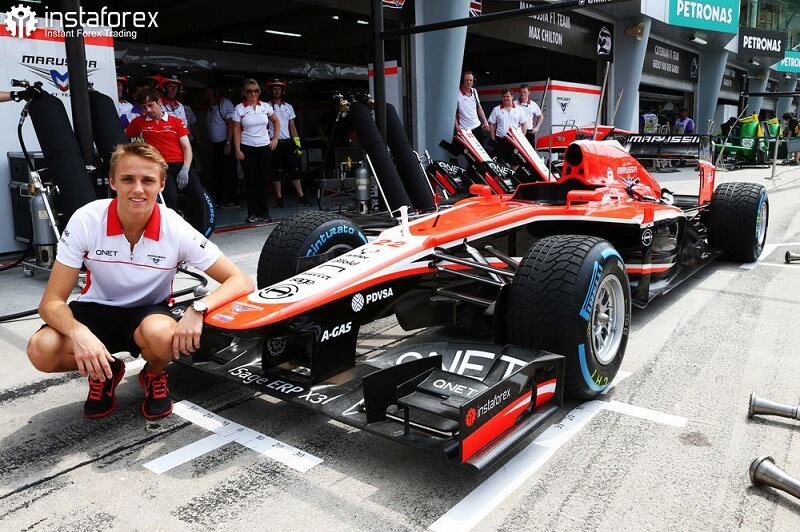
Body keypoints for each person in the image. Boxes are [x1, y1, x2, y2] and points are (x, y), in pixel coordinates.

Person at [26, 142, 254, 419]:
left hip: (148, 313)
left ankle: (153, 374)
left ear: (161, 184)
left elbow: (240, 280)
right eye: (127, 179)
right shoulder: (86, 220)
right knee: (41, 350)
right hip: (95, 309)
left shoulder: (175, 227)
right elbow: (51, 302)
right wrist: (79, 334)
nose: (137, 189)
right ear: (112, 182)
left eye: (147, 180)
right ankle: (106, 371)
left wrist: (198, 309)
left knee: (166, 337)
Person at [124, 87, 207, 233]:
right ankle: (171, 235)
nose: (148, 110)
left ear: (159, 102)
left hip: (182, 165)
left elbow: (187, 147)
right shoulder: (139, 122)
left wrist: (185, 169)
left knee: (199, 198)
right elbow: (123, 138)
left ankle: (198, 235)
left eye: (151, 105)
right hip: (159, 167)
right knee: (170, 199)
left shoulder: (176, 122)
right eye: (144, 107)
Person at [233, 79, 280, 224]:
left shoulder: (265, 106)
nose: (253, 94)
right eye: (249, 91)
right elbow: (236, 130)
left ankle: (264, 212)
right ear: (244, 93)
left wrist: (275, 139)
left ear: (259, 92)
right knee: (251, 181)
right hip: (247, 147)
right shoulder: (239, 108)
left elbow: (276, 121)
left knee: (263, 180)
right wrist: (237, 149)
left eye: (255, 91)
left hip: (264, 147)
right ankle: (252, 212)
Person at [266, 79, 312, 207]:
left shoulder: (288, 107)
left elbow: (292, 126)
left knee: (295, 170)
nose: (277, 91)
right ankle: (279, 199)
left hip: (287, 142)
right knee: (277, 172)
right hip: (273, 143)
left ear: (283, 91)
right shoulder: (266, 106)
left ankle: (301, 196)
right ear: (271, 91)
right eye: (274, 89)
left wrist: (297, 143)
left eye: (279, 89)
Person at [204, 86, 238, 207]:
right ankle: (220, 198)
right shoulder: (211, 107)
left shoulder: (225, 104)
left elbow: (231, 123)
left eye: (209, 94)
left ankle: (232, 199)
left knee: (228, 171)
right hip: (216, 144)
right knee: (217, 172)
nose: (207, 96)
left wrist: (228, 142)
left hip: (225, 143)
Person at [488, 88, 527, 168]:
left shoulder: (519, 109)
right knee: (500, 162)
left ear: (512, 97)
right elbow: (492, 124)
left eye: (507, 96)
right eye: (504, 97)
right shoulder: (496, 109)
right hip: (500, 139)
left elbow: (524, 124)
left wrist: (522, 138)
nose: (505, 98)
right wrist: (493, 139)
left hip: (514, 141)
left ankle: (511, 174)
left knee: (516, 162)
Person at [455, 71, 490, 146]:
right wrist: (458, 129)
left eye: (470, 80)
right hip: (464, 130)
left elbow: (479, 107)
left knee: (481, 150)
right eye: (466, 80)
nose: (469, 82)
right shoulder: (457, 93)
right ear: (462, 81)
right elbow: (453, 113)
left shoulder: (474, 91)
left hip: (477, 127)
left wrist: (485, 121)